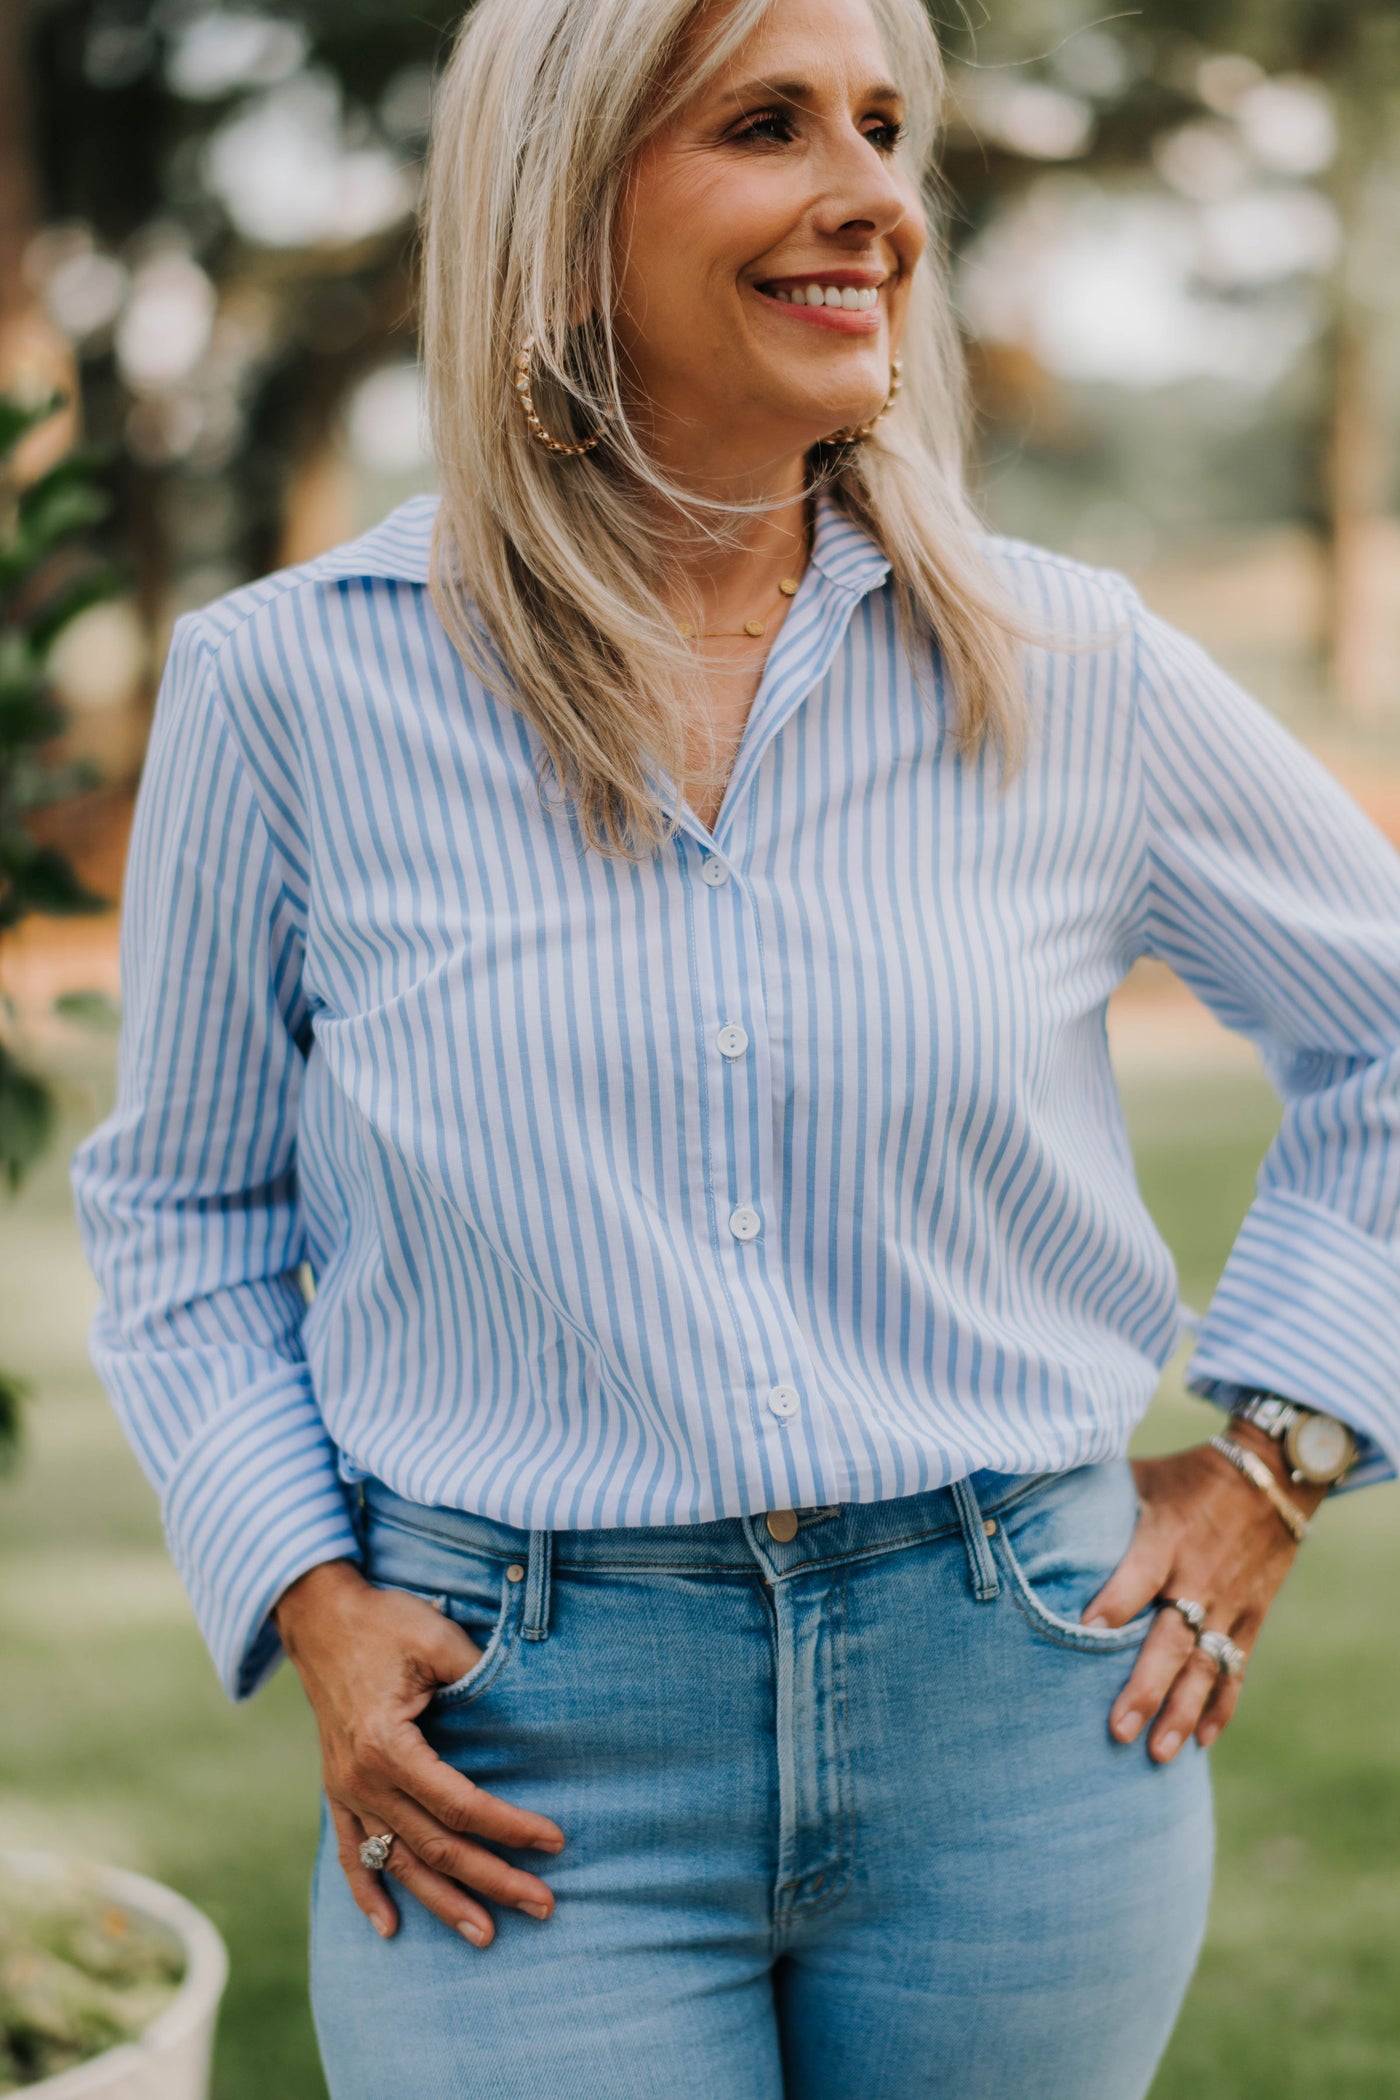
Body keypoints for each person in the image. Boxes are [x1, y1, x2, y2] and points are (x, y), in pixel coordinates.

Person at [70, 0, 1400, 2093]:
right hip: (512, 1748)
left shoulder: (1075, 669)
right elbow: (182, 1211)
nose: (875, 197)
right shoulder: (290, 692)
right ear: (564, 205)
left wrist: (1277, 1458)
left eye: (886, 126)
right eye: (769, 126)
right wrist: (307, 1596)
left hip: (1020, 1715)